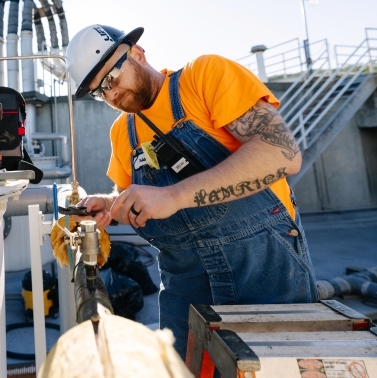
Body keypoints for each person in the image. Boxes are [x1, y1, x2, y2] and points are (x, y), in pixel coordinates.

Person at [65, 24, 317, 358]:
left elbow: (281, 152)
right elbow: (132, 200)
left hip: (262, 267)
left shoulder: (204, 77)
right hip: (184, 287)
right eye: (100, 93)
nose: (110, 95)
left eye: (110, 79)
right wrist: (109, 205)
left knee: (275, 366)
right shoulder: (122, 133)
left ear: (137, 54)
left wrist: (175, 196)